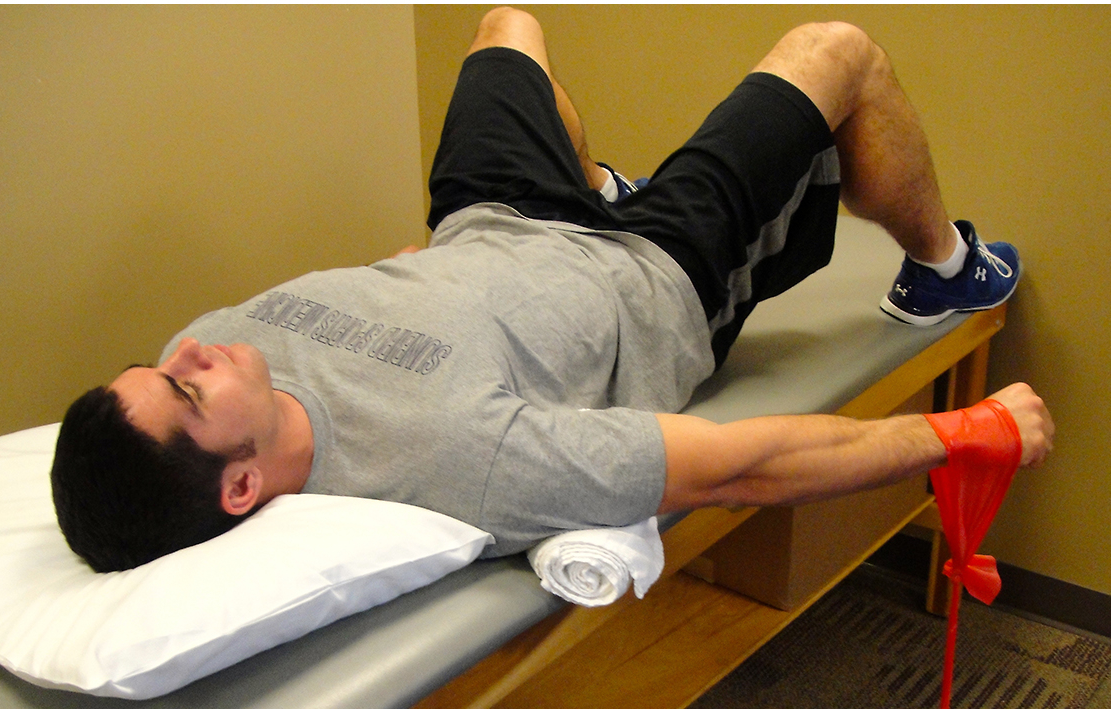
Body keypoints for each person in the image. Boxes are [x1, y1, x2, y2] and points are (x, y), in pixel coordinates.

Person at [51, 8, 1053, 573]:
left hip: (489, 220)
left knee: (507, 27)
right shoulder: (454, 459)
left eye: (158, 365)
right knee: (837, 53)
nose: (189, 351)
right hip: (650, 269)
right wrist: (962, 433)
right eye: (184, 389)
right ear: (240, 486)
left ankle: (592, 181)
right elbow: (739, 466)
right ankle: (943, 269)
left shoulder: (217, 344)